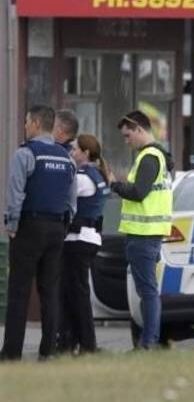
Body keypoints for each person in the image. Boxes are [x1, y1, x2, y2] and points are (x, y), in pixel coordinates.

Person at [1, 105, 78, 361]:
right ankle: (49, 351)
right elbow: (71, 200)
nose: (24, 126)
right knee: (50, 292)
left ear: (35, 124)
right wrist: (64, 225)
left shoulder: (25, 154)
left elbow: (16, 193)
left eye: (26, 122)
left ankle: (12, 353)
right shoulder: (66, 157)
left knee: (19, 291)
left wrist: (11, 226)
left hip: (29, 227)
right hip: (57, 230)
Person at [110, 110, 174, 349]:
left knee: (147, 292)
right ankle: (149, 340)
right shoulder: (159, 156)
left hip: (143, 235)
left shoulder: (149, 157)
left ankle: (148, 342)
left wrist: (114, 185)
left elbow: (138, 193)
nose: (127, 141)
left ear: (139, 129)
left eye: (128, 135)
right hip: (149, 234)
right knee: (148, 290)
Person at [58, 134, 112, 354]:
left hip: (77, 241)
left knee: (75, 295)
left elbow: (61, 195)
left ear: (86, 153)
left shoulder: (82, 178)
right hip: (89, 239)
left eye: (75, 150)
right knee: (75, 293)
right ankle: (76, 342)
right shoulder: (99, 174)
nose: (72, 153)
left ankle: (86, 344)